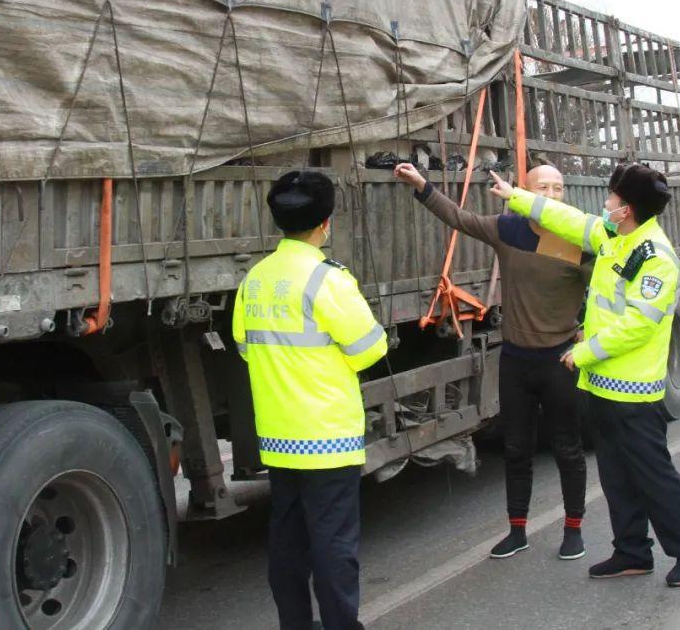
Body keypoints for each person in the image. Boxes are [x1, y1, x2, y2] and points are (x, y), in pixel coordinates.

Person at [489, 162, 680, 588]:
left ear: (625, 209)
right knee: (615, 476)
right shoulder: (615, 236)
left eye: (610, 197)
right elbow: (567, 219)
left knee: (653, 477)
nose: (604, 203)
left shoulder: (655, 258)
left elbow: (638, 324)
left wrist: (583, 352)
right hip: (604, 388)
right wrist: (515, 196)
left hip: (634, 393)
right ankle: (632, 551)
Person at [394, 161, 591, 561]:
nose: (551, 195)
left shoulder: (581, 240)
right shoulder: (508, 230)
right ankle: (517, 531)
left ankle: (574, 530)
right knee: (516, 450)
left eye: (558, 188)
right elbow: (459, 218)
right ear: (525, 192)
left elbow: (607, 289)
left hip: (560, 360)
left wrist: (588, 332)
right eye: (543, 187)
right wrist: (421, 185)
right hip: (517, 360)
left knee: (567, 448)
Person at [233, 170, 387, 630]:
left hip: (279, 437)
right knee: (334, 543)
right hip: (328, 437)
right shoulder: (328, 280)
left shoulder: (255, 280)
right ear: (326, 224)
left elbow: (245, 345)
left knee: (287, 540)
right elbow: (369, 350)